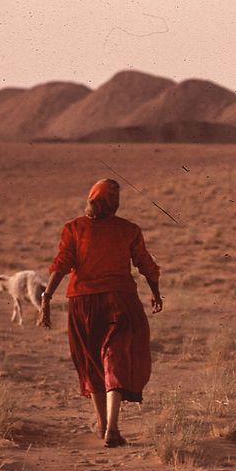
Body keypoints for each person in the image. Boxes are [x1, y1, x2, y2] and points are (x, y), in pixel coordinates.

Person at [40, 178, 163, 448]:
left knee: (91, 361)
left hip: (85, 303)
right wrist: (154, 291)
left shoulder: (74, 228)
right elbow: (146, 264)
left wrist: (47, 297)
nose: (112, 207)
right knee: (114, 358)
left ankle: (106, 426)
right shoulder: (126, 230)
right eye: (110, 202)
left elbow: (62, 265)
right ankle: (111, 427)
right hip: (120, 300)